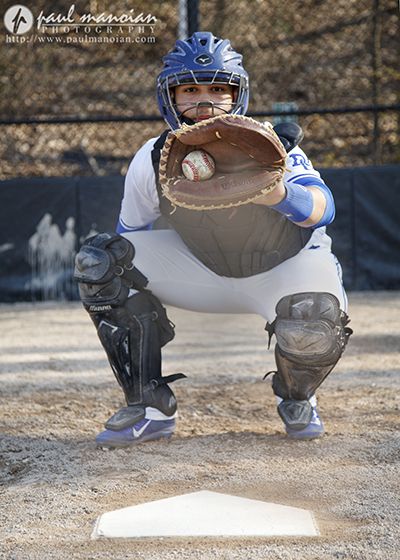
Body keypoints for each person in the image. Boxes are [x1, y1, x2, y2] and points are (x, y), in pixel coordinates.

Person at [74, 32, 352, 449]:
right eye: (190, 89)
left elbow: (322, 209)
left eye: (218, 89)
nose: (204, 102)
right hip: (204, 270)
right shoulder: (154, 157)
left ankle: (297, 396)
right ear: (169, 97)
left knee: (314, 316)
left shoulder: (271, 148)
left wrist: (276, 192)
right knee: (101, 261)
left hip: (283, 271)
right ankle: (149, 407)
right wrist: (138, 313)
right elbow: (130, 239)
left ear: (237, 94)